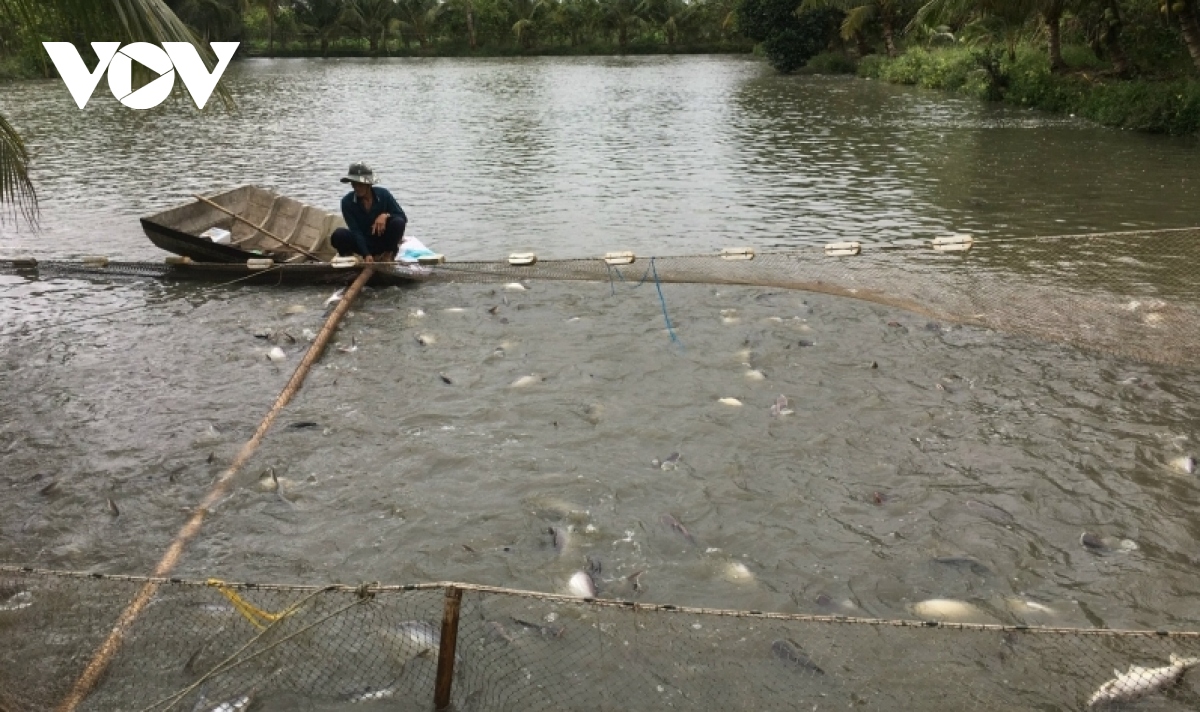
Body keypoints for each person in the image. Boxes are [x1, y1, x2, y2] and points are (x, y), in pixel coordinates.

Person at [330, 162, 408, 262]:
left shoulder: (384, 194)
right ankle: (348, 257)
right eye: (354, 184)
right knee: (338, 235)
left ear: (369, 184)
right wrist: (366, 254)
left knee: (398, 222)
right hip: (363, 242)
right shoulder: (347, 202)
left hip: (383, 242)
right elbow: (355, 231)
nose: (357, 188)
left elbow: (403, 217)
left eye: (360, 184)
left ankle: (388, 254)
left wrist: (385, 215)